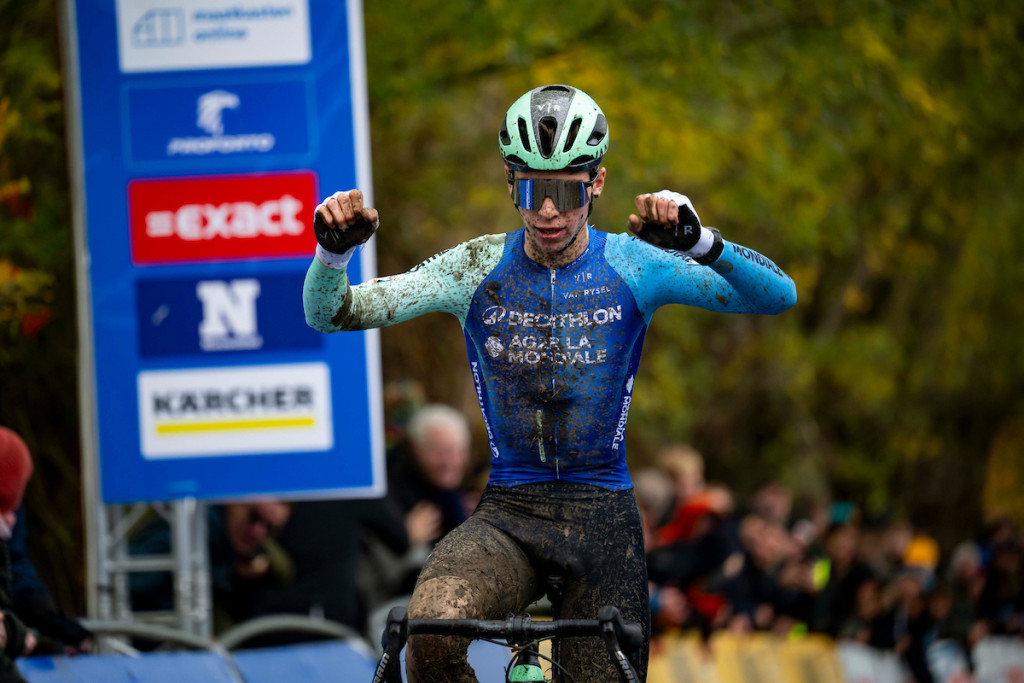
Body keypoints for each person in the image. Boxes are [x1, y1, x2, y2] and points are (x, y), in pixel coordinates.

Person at [303, 84, 797, 682]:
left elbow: (777, 296)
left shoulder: (636, 265)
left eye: (565, 190)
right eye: (533, 190)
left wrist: (700, 244)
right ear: (512, 185)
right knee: (430, 630)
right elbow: (331, 314)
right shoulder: (473, 267)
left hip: (603, 517)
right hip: (510, 512)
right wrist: (331, 257)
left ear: (597, 183)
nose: (548, 212)